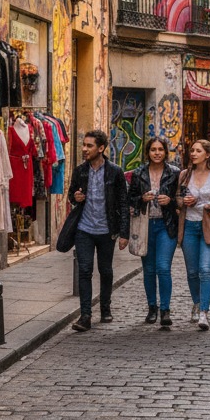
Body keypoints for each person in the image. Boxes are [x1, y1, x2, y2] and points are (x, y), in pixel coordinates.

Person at [67, 130, 130, 332]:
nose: (84, 149)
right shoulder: (80, 171)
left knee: (106, 270)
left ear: (101, 148)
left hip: (106, 230)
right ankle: (85, 315)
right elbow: (71, 195)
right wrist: (75, 197)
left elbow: (122, 202)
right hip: (84, 229)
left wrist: (124, 233)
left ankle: (105, 307)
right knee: (85, 270)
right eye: (84, 145)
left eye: (89, 146)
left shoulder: (115, 172)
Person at [126, 137, 180, 329]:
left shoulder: (174, 173)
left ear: (166, 152)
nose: (157, 153)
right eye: (153, 150)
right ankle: (152, 307)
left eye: (160, 150)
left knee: (163, 267)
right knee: (148, 269)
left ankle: (165, 310)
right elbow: (130, 199)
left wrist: (171, 201)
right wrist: (142, 198)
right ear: (148, 152)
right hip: (145, 226)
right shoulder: (139, 173)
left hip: (166, 225)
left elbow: (181, 199)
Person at [177, 140, 210, 331]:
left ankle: (204, 312)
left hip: (209, 227)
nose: (193, 153)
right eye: (192, 150)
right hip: (189, 226)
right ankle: (197, 303)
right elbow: (178, 199)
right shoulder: (184, 175)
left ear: (207, 155)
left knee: (205, 269)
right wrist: (184, 201)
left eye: (198, 151)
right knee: (192, 271)